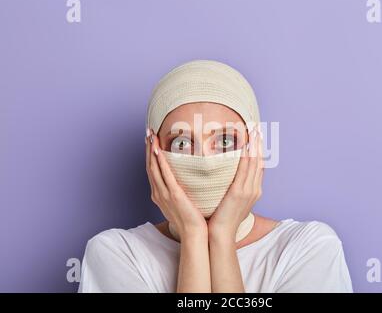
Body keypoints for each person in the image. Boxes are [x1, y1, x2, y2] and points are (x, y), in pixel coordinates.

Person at [78, 60, 353, 293]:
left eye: (224, 141)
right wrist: (193, 236)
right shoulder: (116, 253)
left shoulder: (308, 249)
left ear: (255, 149)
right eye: (182, 143)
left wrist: (221, 237)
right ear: (154, 153)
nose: (205, 162)